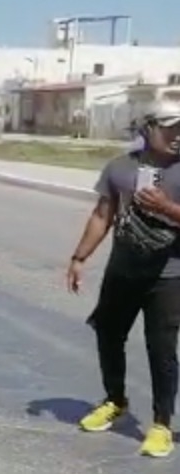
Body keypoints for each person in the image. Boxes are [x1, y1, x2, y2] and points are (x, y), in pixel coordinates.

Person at [67, 100, 180, 458]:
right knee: (108, 333)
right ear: (148, 128)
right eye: (170, 127)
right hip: (123, 271)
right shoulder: (119, 168)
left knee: (161, 349)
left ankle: (162, 424)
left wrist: (167, 208)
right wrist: (79, 257)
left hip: (169, 275)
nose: (178, 136)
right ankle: (115, 401)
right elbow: (103, 215)